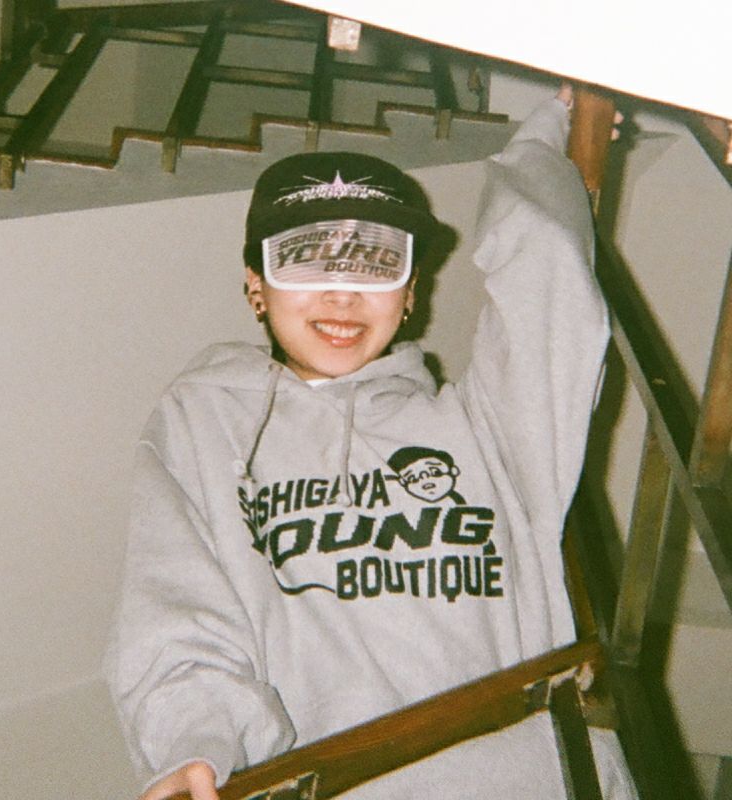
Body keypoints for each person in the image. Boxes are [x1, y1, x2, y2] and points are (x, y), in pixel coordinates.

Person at [105, 85, 638, 800]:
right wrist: (190, 742)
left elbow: (549, 277)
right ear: (256, 285)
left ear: (410, 293)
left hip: (535, 778)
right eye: (306, 259)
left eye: (373, 263)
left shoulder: (490, 428)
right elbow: (174, 604)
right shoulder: (203, 419)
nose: (341, 294)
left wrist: (554, 128)